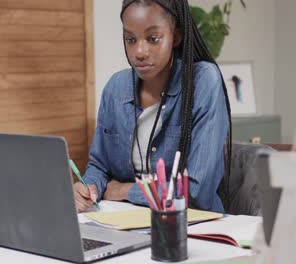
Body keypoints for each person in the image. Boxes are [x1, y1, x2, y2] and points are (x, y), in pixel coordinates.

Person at [74, 0, 231, 213]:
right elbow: (99, 166)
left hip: (191, 227)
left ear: (175, 37)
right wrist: (89, 187)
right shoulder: (116, 88)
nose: (139, 51)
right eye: (130, 39)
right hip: (124, 222)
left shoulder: (203, 81)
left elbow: (196, 191)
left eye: (153, 39)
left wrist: (125, 191)